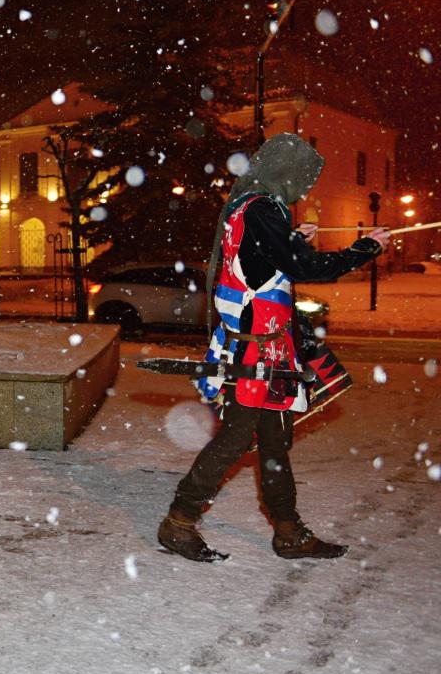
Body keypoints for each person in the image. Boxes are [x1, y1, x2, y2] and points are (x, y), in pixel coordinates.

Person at [158, 134, 390, 562]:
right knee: (233, 441)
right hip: (256, 350)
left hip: (267, 348)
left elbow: (267, 261)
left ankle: (288, 532)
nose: (306, 188)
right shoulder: (262, 209)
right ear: (286, 172)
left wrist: (293, 237)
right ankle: (178, 521)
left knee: (274, 441)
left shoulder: (249, 207)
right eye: (304, 177)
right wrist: (365, 249)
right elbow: (302, 267)